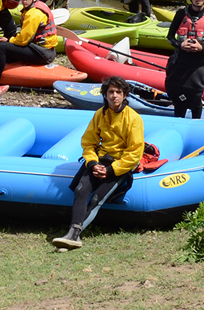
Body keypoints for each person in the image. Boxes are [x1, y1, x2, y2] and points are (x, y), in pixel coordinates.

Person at [52, 76, 145, 250]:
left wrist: (111, 171)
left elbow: (135, 153)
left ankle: (73, 235)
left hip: (118, 165)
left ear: (125, 95)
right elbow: (88, 143)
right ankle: (73, 235)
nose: (114, 96)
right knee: (81, 190)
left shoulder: (133, 119)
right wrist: (93, 164)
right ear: (105, 94)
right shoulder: (99, 114)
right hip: (100, 161)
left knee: (96, 198)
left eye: (118, 92)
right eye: (111, 92)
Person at [165, 0, 204, 118]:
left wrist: (202, 48)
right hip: (181, 61)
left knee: (196, 96)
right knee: (178, 96)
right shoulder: (180, 14)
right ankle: (178, 120)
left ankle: (196, 121)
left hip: (198, 64)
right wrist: (180, 45)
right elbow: (170, 37)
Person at [0, 0, 58, 84]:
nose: (23, 0)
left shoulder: (33, 14)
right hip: (47, 51)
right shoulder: (40, 5)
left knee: (2, 47)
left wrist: (8, 40)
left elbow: (23, 41)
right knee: (11, 42)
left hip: (42, 54)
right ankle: (3, 62)